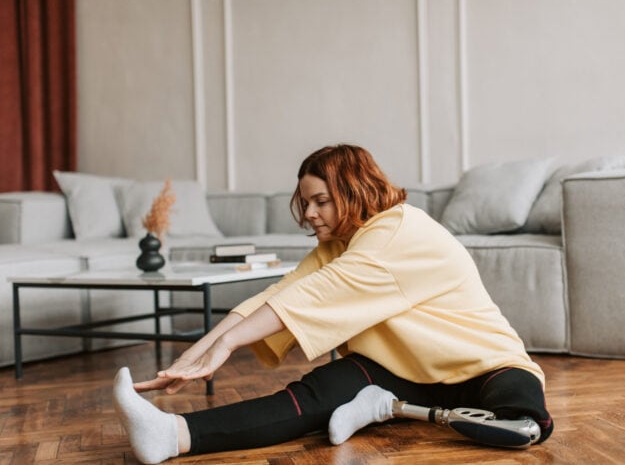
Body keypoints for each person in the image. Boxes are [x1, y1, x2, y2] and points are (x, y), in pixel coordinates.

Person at [113, 144, 554, 464]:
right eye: (305, 203)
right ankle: (171, 435)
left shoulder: (398, 230)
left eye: (320, 201)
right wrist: (193, 357)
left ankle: (387, 410)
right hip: (400, 371)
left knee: (525, 425)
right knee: (309, 396)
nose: (308, 213)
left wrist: (226, 348)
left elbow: (313, 296)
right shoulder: (337, 244)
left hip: (486, 367)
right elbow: (277, 295)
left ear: (356, 190)